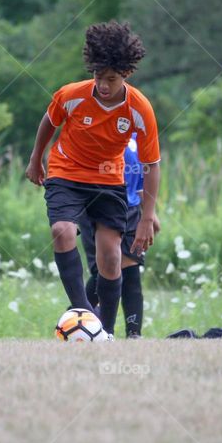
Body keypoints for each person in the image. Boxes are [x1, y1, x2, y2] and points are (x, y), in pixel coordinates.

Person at [26, 21, 161, 338]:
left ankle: (107, 333)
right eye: (98, 76)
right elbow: (49, 121)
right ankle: (83, 313)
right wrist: (35, 160)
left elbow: (151, 165)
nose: (102, 84)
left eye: (111, 79)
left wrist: (147, 216)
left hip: (108, 179)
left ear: (126, 74)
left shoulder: (139, 108)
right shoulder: (72, 95)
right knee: (61, 231)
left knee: (112, 257)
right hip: (66, 172)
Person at [78, 133, 160, 338]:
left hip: (131, 210)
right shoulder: (95, 132)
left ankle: (134, 334)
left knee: (131, 272)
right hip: (97, 209)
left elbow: (140, 181)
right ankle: (77, 321)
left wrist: (150, 214)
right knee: (105, 272)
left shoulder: (138, 139)